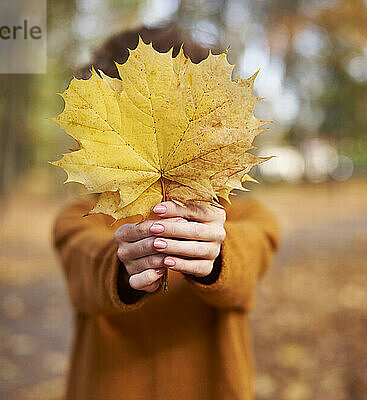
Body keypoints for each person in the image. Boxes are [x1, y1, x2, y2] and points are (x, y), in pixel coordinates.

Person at [53, 25, 279, 400]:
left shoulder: (241, 216)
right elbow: (85, 265)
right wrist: (122, 265)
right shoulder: (80, 216)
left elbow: (252, 253)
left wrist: (216, 253)